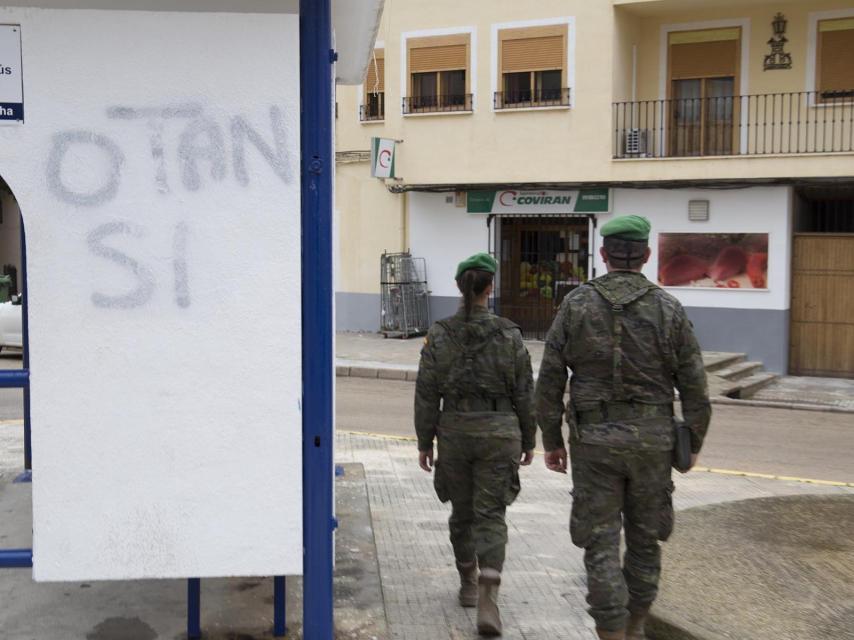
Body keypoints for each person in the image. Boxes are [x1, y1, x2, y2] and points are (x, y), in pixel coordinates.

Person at [534, 216, 711, 640]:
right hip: (653, 443)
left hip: (594, 444)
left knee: (600, 543)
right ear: (646, 256)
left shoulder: (576, 304)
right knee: (646, 541)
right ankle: (634, 629)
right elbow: (695, 388)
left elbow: (550, 380)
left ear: (603, 255)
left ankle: (610, 634)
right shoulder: (669, 308)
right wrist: (693, 443)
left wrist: (552, 441)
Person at [415, 252, 536, 637]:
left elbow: (426, 392)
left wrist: (424, 440)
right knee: (492, 515)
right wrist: (530, 438)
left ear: (458, 287)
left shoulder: (439, 334)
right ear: (490, 287)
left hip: (455, 434)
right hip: (500, 434)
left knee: (462, 513)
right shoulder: (510, 334)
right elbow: (525, 392)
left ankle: (467, 582)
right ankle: (488, 596)